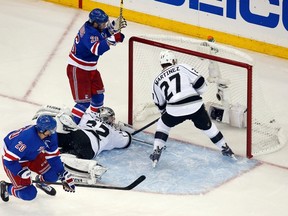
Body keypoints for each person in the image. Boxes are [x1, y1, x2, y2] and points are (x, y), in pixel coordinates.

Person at [149, 50, 235, 167]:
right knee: (208, 127)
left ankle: (157, 150)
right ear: (173, 61)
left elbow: (160, 104)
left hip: (174, 109)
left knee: (163, 125)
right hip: (195, 105)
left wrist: (164, 113)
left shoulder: (156, 81)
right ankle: (225, 148)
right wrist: (195, 94)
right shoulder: (182, 66)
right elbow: (201, 83)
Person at [31, 105, 132, 185]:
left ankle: (33, 143)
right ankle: (75, 163)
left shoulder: (87, 117)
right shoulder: (113, 133)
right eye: (111, 118)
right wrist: (120, 129)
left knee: (57, 138)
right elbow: (127, 140)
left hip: (76, 135)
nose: (112, 121)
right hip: (90, 148)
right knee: (74, 154)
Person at [67, 8, 127, 124]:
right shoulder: (88, 33)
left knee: (98, 96)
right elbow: (97, 49)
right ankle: (71, 128)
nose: (104, 25)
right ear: (95, 23)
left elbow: (102, 34)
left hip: (90, 69)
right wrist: (114, 38)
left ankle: (95, 122)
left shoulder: (94, 27)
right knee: (83, 102)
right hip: (78, 70)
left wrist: (113, 27)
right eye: (102, 23)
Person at [0, 115, 75, 203]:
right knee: (28, 194)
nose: (52, 133)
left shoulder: (51, 135)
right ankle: (7, 188)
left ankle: (41, 183)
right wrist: (19, 171)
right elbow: (9, 160)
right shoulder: (26, 139)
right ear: (42, 130)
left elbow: (53, 156)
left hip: (33, 154)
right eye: (50, 131)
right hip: (16, 161)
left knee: (53, 175)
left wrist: (62, 173)